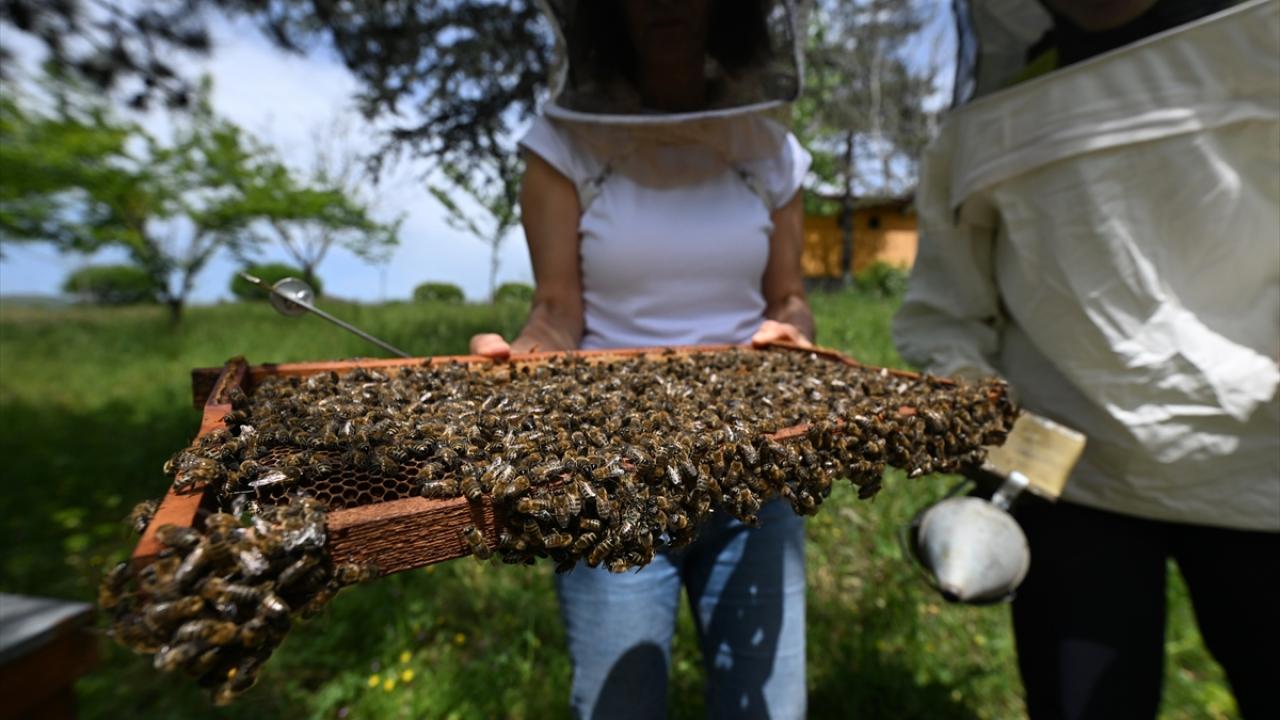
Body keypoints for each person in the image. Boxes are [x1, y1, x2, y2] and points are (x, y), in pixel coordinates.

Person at [893, 1, 1279, 718]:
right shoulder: (997, 109)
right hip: (1067, 480)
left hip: (1258, 472)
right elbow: (945, 310)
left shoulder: (1257, 44)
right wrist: (976, 409)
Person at [469, 1, 813, 717]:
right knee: (617, 705)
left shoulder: (770, 146)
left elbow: (790, 298)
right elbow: (557, 312)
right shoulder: (562, 143)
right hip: (609, 470)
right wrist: (523, 359)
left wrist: (790, 333)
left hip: (755, 457)